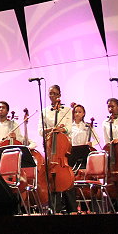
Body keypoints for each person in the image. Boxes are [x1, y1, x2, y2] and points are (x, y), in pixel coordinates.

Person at [41, 84, 76, 214]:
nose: (52, 96)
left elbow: (69, 128)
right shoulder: (44, 111)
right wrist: (52, 129)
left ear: (59, 95)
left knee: (67, 178)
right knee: (51, 180)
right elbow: (41, 131)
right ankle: (53, 208)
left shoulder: (67, 110)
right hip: (51, 149)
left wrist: (62, 129)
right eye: (50, 93)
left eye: (55, 93)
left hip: (63, 147)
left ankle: (72, 209)